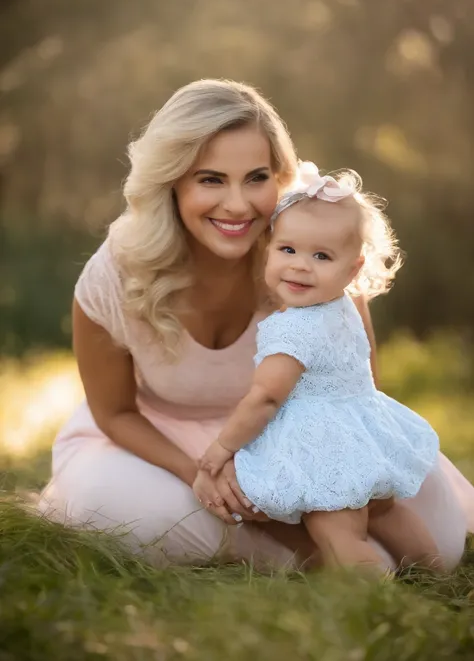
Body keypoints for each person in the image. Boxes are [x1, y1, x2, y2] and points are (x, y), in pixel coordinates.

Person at [39, 79, 474, 572]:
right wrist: (202, 473)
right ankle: (314, 556)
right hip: (162, 443)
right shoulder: (115, 271)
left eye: (256, 178)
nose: (238, 205)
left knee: (442, 532)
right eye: (210, 179)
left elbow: (358, 393)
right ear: (172, 181)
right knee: (123, 505)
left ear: (279, 178)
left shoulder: (311, 257)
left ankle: (318, 551)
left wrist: (314, 484)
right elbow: (114, 412)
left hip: (301, 436)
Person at [199, 162, 441, 572]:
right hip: (366, 434)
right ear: (270, 248)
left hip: (326, 449)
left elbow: (266, 397)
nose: (299, 265)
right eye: (288, 249)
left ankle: (373, 601)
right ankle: (435, 572)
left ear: (353, 269)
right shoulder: (341, 306)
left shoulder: (293, 330)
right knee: (384, 511)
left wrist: (222, 449)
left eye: (321, 256)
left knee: (337, 533)